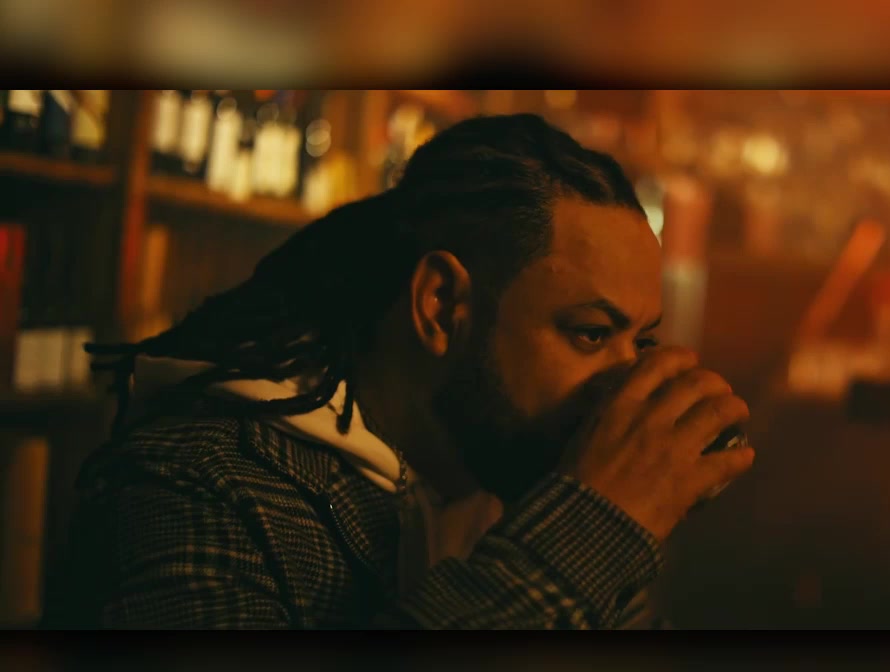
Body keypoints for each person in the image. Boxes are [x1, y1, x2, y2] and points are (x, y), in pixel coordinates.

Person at [54, 113, 754, 629]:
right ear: (442, 307)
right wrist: (591, 530)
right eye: (591, 334)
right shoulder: (197, 487)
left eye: (641, 342)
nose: (622, 384)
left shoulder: (520, 472)